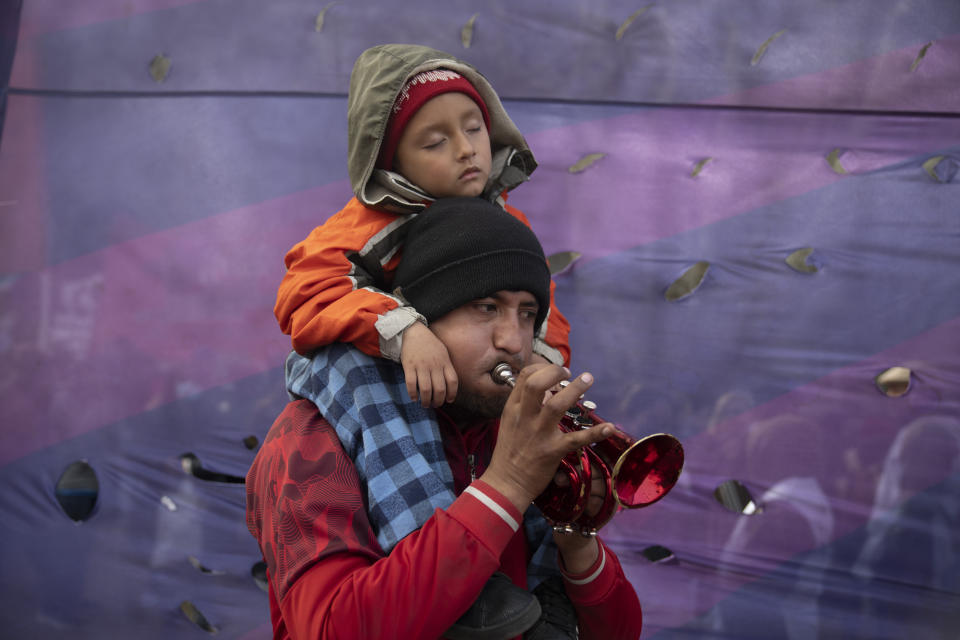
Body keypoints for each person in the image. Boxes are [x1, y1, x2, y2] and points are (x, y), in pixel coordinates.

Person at [271, 44, 573, 632]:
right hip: (359, 365)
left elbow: (546, 309)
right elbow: (303, 296)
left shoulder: (508, 223)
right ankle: (452, 570)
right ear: (390, 165)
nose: (465, 150)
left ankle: (551, 586)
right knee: (379, 394)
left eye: (474, 130)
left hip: (448, 376)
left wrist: (545, 358)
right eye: (434, 142)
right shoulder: (363, 222)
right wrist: (402, 329)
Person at [246, 200, 643, 639]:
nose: (512, 340)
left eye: (527, 313)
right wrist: (507, 486)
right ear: (424, 319)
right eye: (486, 307)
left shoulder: (510, 426)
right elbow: (331, 630)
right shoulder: (309, 436)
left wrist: (575, 537)